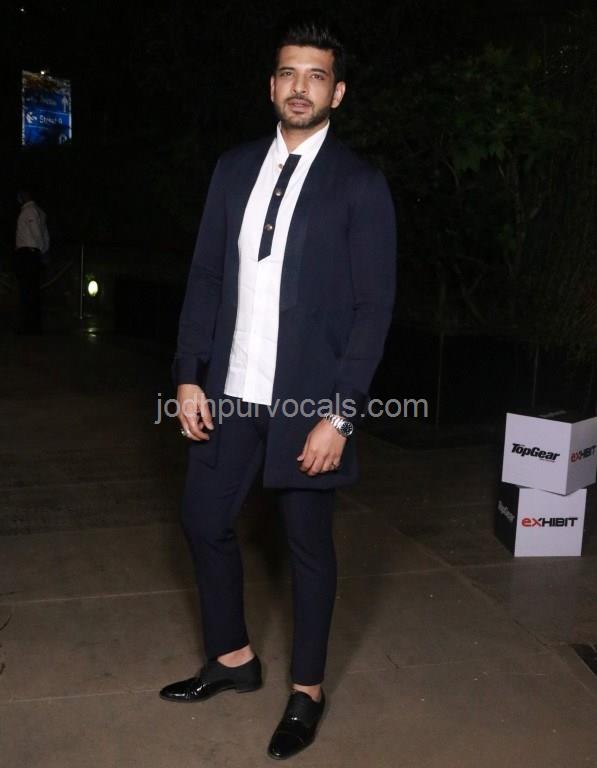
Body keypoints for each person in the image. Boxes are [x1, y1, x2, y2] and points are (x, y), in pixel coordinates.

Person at [160, 15, 397, 760]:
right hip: (230, 392)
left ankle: (307, 691)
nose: (300, 88)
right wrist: (188, 376)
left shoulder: (359, 185)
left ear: (337, 92)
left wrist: (340, 417)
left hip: (306, 404)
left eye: (316, 76)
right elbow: (205, 277)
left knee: (307, 549)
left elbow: (373, 311)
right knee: (203, 520)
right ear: (271, 85)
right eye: (289, 73)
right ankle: (232, 656)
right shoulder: (233, 169)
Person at [14, 189, 50, 333]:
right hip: (31, 254)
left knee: (27, 290)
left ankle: (29, 326)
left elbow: (37, 233)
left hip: (28, 254)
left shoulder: (30, 211)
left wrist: (41, 251)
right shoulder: (38, 211)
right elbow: (44, 234)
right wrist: (44, 250)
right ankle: (32, 325)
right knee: (32, 290)